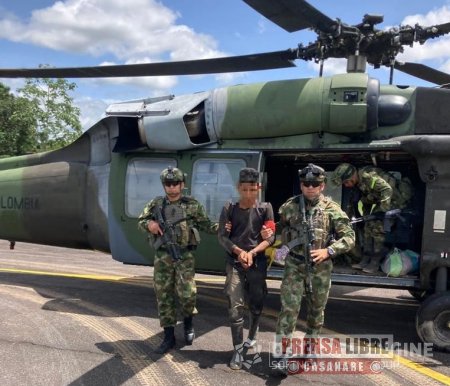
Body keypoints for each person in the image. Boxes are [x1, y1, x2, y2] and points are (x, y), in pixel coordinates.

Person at [274, 164, 355, 373]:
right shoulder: (289, 207)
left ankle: (310, 348)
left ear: (322, 186)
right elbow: (279, 228)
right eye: (306, 184)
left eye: (315, 184)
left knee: (316, 311)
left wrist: (328, 251)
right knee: (288, 311)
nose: (310, 187)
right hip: (295, 264)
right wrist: (270, 235)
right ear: (301, 185)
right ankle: (282, 355)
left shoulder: (332, 209)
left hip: (320, 267)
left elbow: (349, 238)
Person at [138, 166, 218, 355]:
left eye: (175, 184)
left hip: (184, 256)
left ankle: (188, 325)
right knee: (163, 295)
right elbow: (141, 221)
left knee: (187, 295)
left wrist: (226, 228)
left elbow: (206, 224)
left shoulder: (192, 205)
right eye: (168, 184)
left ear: (182, 184)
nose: (172, 187)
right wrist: (149, 224)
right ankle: (168, 336)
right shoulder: (156, 204)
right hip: (163, 256)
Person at [218, 167, 275, 370]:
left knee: (256, 304)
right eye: (245, 189)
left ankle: (252, 333)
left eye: (253, 189)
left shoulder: (266, 208)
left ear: (258, 188)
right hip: (235, 262)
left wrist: (252, 253)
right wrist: (239, 252)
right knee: (235, 307)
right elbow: (222, 237)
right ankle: (237, 350)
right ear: (238, 188)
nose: (249, 194)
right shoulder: (229, 208)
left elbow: (271, 238)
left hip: (256, 263)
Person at [331, 163, 412, 273]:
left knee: (377, 229)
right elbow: (368, 199)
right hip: (385, 203)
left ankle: (375, 262)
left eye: (346, 182)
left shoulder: (367, 176)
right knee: (368, 228)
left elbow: (387, 189)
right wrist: (367, 217)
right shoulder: (360, 182)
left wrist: (384, 211)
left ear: (352, 176)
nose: (346, 185)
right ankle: (366, 259)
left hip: (395, 201)